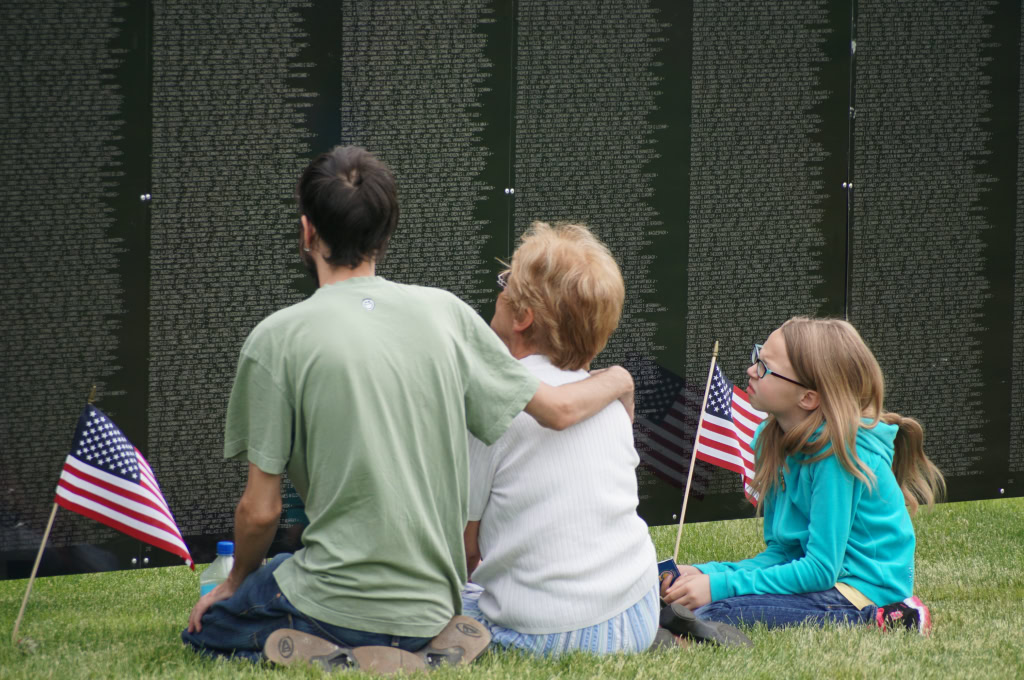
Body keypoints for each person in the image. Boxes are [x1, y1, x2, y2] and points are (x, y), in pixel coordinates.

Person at [181, 147, 636, 670]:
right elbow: (556, 408)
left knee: (212, 621)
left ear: (307, 232)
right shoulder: (447, 313)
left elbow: (260, 511)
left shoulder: (274, 340)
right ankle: (403, 646)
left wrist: (235, 582)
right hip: (434, 605)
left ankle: (339, 651)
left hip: (337, 596)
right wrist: (620, 378)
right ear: (385, 234)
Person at [660, 316, 945, 635]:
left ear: (808, 397)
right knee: (694, 602)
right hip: (826, 580)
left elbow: (820, 570)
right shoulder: (770, 440)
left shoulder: (836, 455)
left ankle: (893, 617)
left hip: (859, 591)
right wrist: (704, 574)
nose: (751, 370)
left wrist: (719, 587)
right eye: (757, 357)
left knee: (719, 610)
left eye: (765, 367)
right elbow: (783, 553)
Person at [461, 221, 660, 656]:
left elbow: (466, 548)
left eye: (503, 283)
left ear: (521, 316)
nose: (497, 291)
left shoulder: (492, 403)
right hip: (639, 611)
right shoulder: (607, 396)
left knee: (426, 602)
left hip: (545, 633)